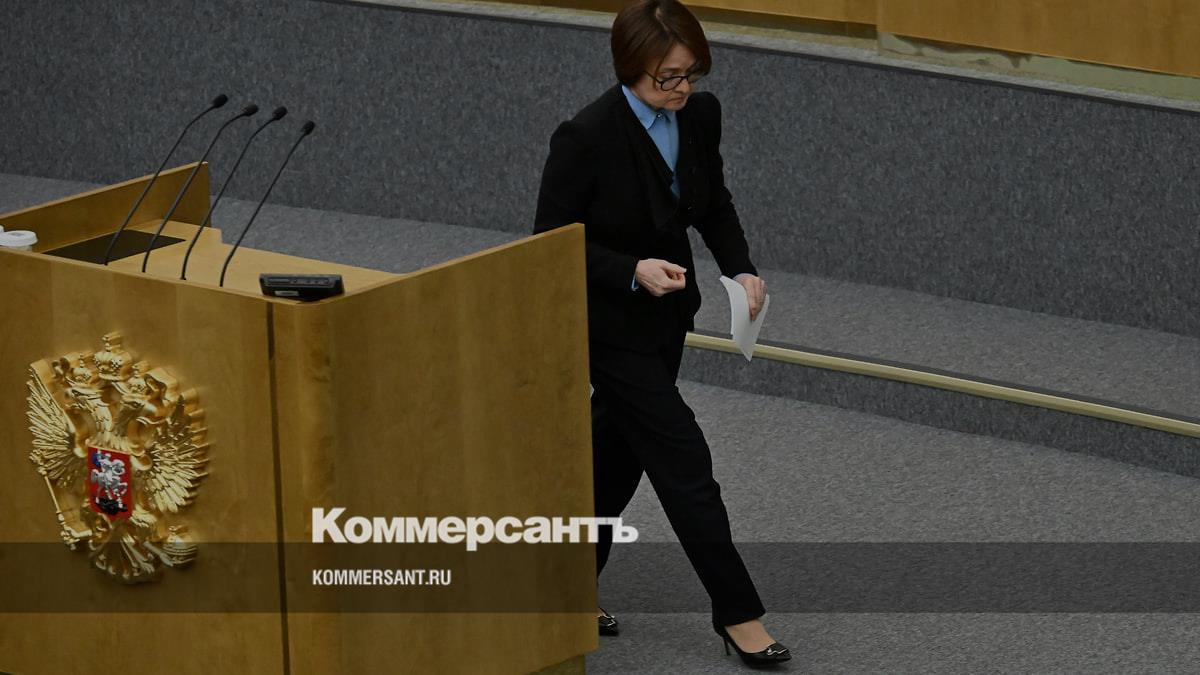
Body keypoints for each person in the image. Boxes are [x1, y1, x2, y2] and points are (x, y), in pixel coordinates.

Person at [532, 0, 790, 666]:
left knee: (615, 456)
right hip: (609, 325)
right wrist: (630, 269)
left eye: (690, 73)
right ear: (629, 68)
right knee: (684, 459)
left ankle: (560, 587)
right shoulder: (585, 136)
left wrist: (741, 269)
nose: (681, 89)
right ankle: (739, 614)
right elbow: (550, 244)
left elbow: (713, 203)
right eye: (666, 77)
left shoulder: (699, 115)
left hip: (668, 318)